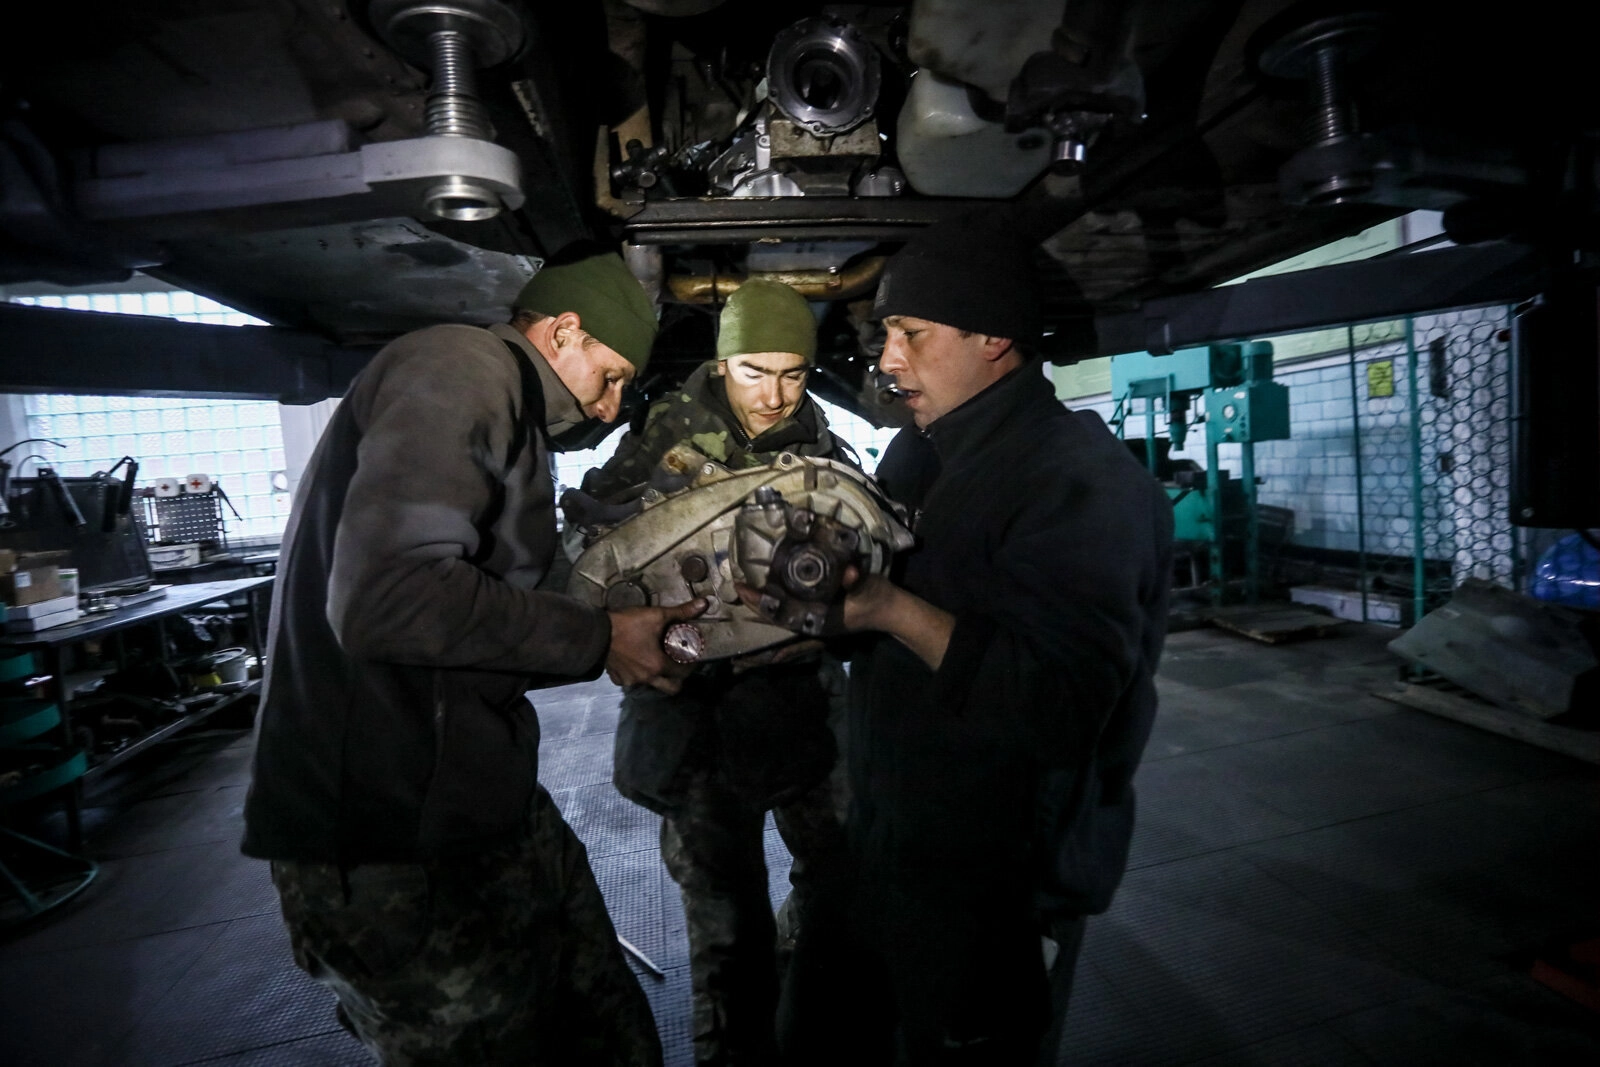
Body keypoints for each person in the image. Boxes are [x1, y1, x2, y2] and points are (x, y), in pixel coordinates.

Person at [242, 247, 705, 1066]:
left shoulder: (513, 417)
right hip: (384, 838)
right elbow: (390, 598)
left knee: (610, 1028)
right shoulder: (461, 363)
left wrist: (622, 611)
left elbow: (505, 594)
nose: (609, 411)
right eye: (610, 377)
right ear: (562, 332)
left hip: (480, 800)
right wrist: (601, 637)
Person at [770, 212, 1174, 1066]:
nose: (886, 361)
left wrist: (887, 610)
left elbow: (1061, 709)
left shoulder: (1085, 484)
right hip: (879, 844)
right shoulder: (917, 458)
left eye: (912, 334)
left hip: (994, 889)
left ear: (995, 336)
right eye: (886, 334)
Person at [578, 279, 852, 1067]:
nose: (774, 395)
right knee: (729, 934)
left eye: (793, 373)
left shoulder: (818, 438)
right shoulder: (658, 439)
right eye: (755, 371)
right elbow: (590, 556)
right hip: (699, 720)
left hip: (800, 706)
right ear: (722, 361)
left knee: (843, 885)